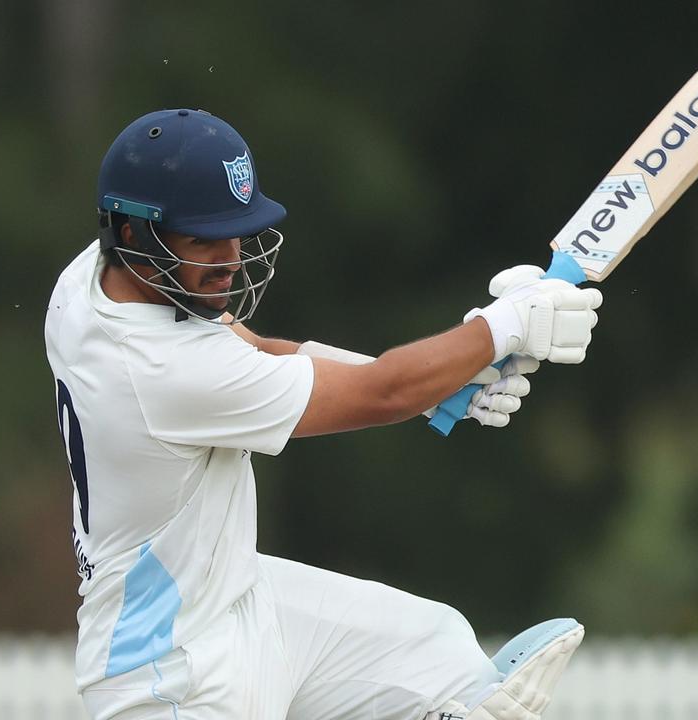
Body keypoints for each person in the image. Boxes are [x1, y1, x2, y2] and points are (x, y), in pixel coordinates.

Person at [45, 108, 603, 720]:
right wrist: (502, 326)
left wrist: (443, 384)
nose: (231, 257)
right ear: (133, 234)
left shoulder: (90, 282)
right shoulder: (159, 372)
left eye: (236, 230)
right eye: (204, 237)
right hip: (167, 679)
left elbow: (252, 349)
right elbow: (378, 396)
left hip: (238, 602)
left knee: (439, 657)